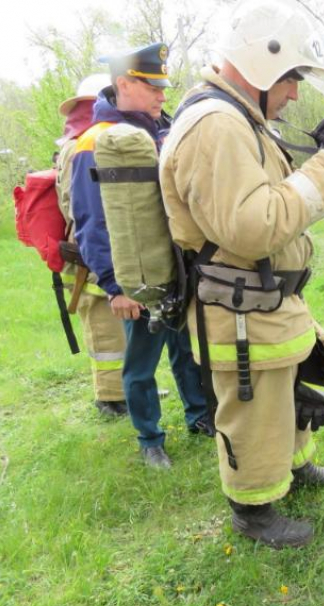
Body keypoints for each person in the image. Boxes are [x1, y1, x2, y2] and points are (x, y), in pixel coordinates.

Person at [159, 0, 324, 549]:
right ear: (260, 66)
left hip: (265, 303)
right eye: (291, 78)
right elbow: (254, 227)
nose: (296, 93)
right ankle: (255, 512)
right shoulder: (216, 127)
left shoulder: (238, 119)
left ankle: (292, 471)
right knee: (254, 410)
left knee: (285, 394)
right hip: (238, 310)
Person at [70, 43, 209, 469]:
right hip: (136, 277)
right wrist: (116, 286)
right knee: (140, 364)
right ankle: (150, 438)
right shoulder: (95, 143)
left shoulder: (159, 130)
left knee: (186, 351)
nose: (162, 96)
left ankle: (200, 418)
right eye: (152, 87)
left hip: (178, 270)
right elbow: (91, 222)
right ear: (124, 83)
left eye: (163, 88)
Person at [56, 73, 130, 419]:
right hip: (87, 255)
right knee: (104, 333)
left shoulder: (81, 140)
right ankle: (110, 399)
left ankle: (120, 389)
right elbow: (78, 206)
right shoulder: (79, 146)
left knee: (115, 332)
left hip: (93, 252)